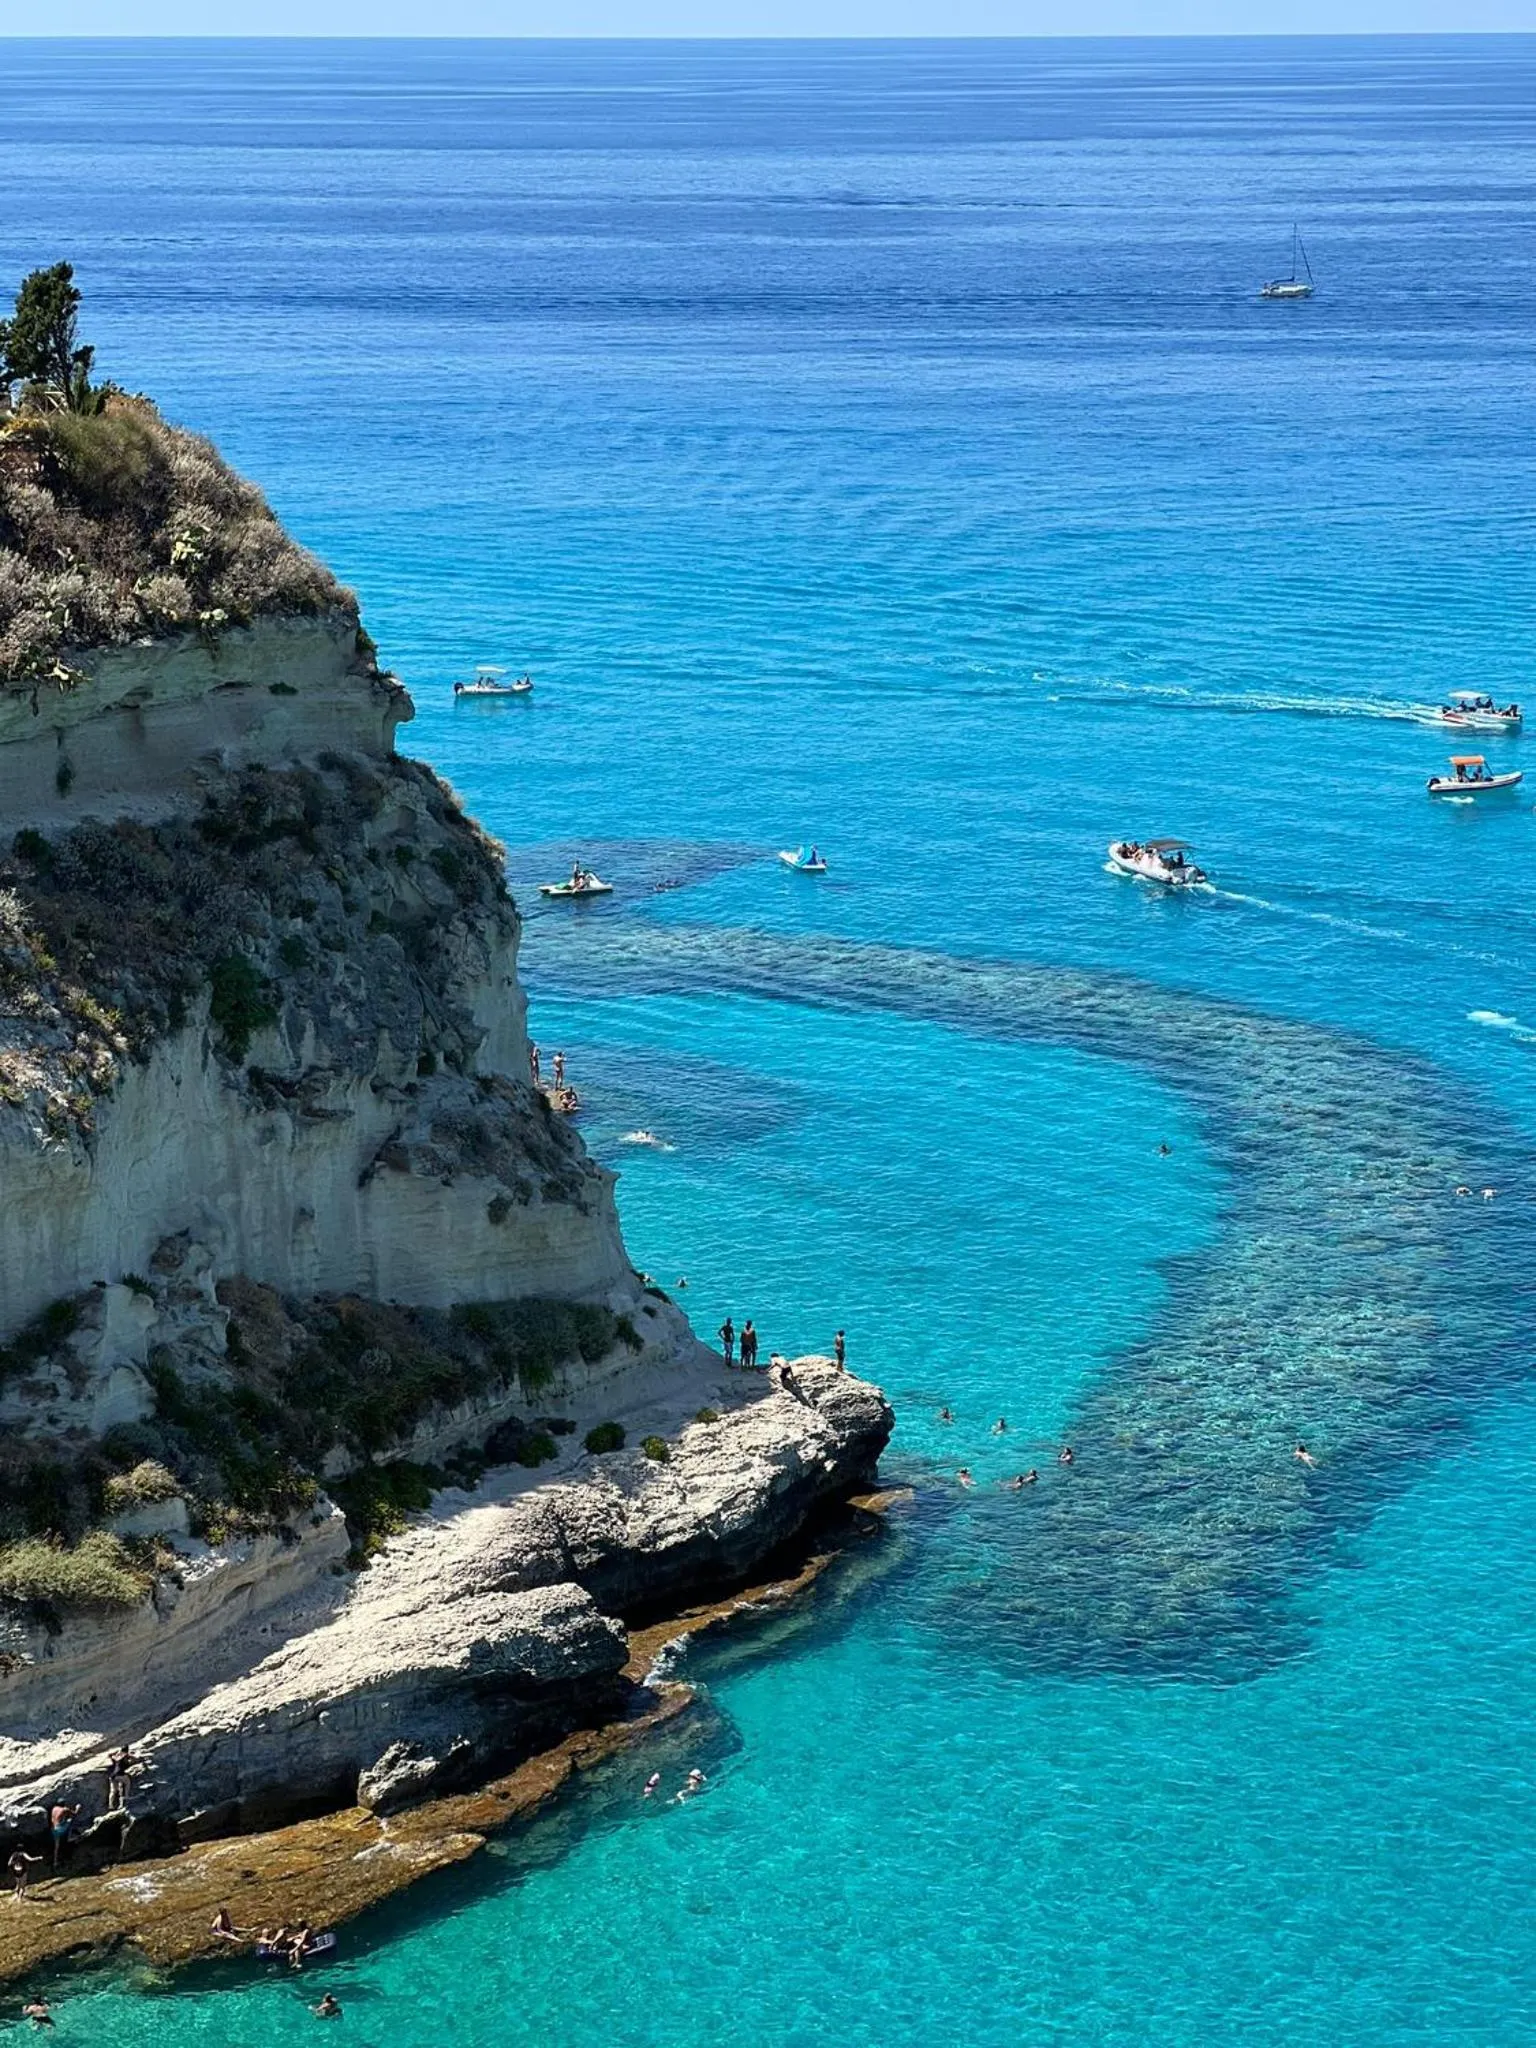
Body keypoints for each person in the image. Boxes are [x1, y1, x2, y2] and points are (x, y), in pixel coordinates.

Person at [48, 1804, 78, 1871]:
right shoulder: (64, 1809)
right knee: (70, 1821)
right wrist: (77, 1808)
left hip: (53, 1829)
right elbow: (75, 1814)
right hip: (60, 1829)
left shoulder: (54, 1808)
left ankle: (55, 1862)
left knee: (57, 1847)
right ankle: (70, 1837)